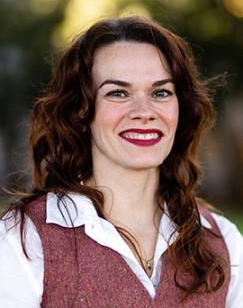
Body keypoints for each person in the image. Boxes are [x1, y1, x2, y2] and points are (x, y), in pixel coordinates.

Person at [0, 16, 243, 308]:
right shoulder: (22, 241)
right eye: (118, 92)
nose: (144, 111)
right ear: (80, 111)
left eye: (160, 92)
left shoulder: (223, 240)